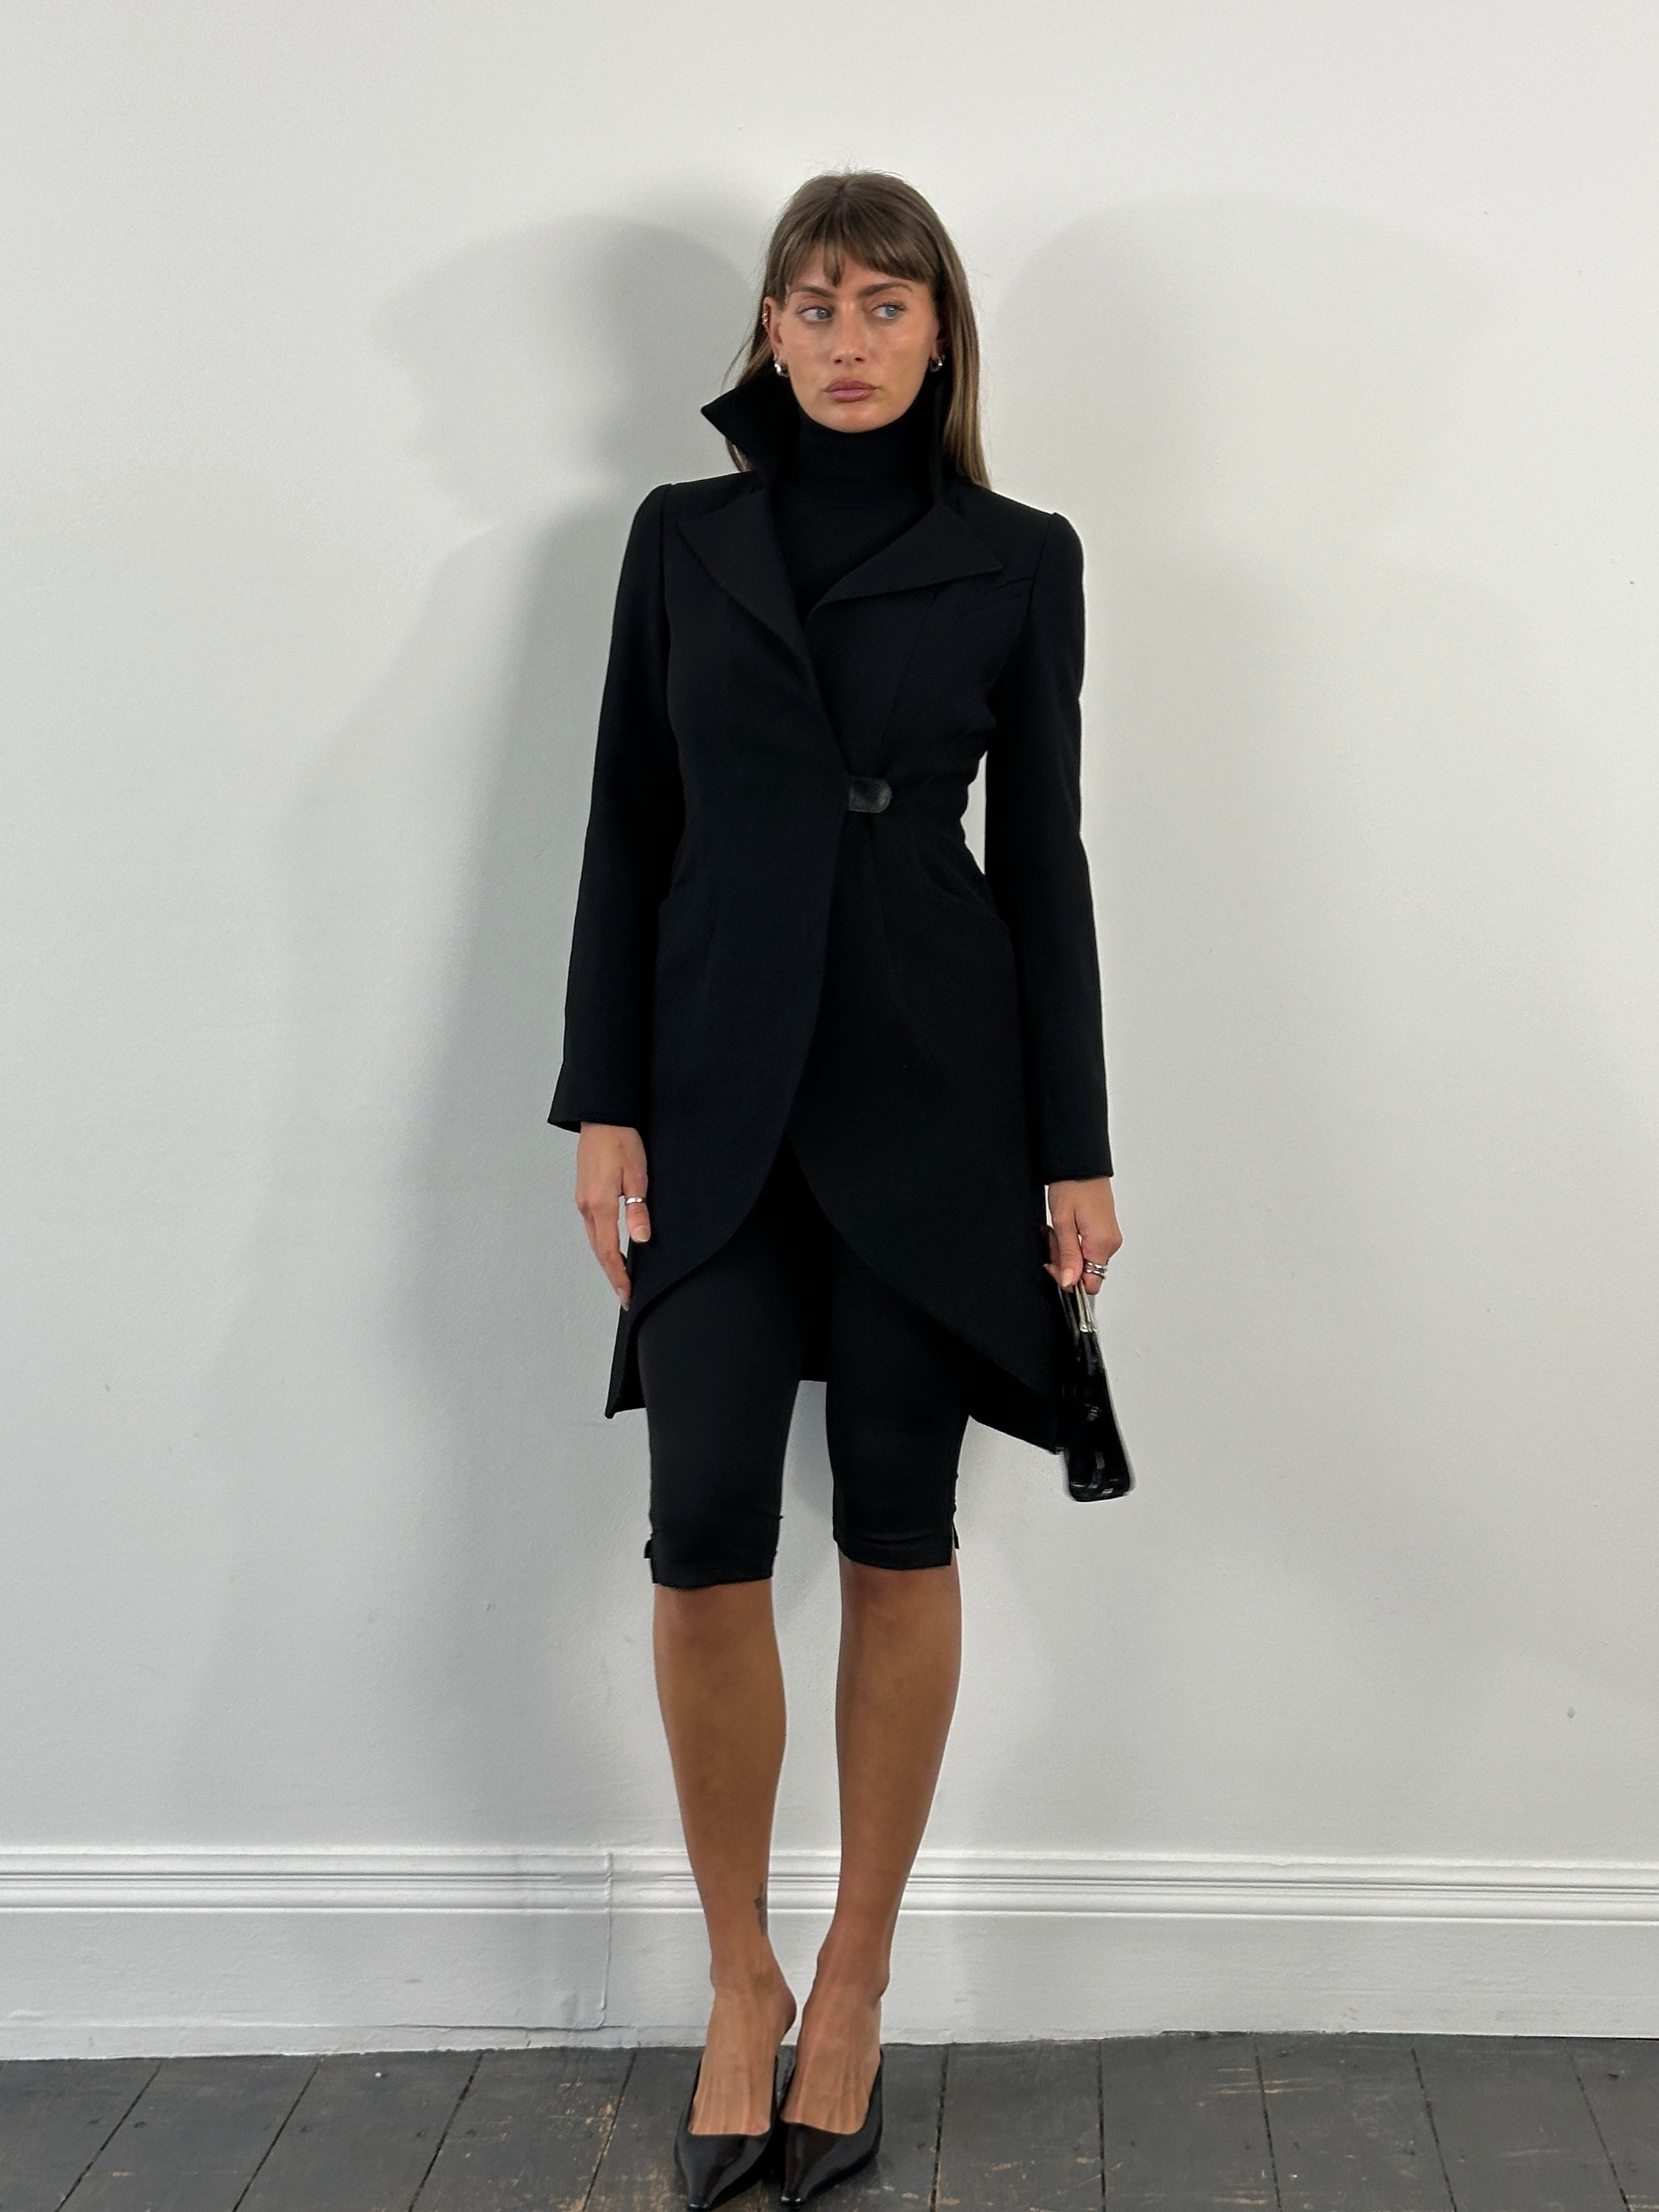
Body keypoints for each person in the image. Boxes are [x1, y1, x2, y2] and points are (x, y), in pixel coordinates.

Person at [547, 170, 1122, 2207]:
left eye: (889, 301)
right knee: (701, 1532)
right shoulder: (679, 540)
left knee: (896, 1522)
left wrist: (1076, 1143)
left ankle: (856, 1980)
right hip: (713, 1091)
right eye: (815, 302)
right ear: (770, 333)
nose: (851, 336)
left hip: (935, 1089)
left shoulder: (1021, 557)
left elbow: (1042, 859)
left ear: (941, 330)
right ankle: (739, 1978)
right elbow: (628, 822)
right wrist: (602, 1101)